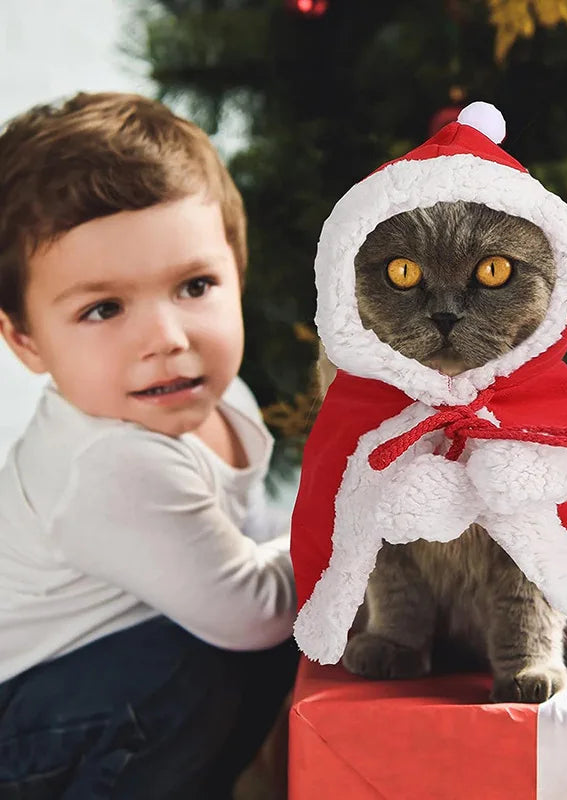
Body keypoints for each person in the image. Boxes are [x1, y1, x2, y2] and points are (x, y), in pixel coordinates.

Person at [0, 92, 298, 799]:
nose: (167, 338)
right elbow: (256, 610)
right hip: (28, 728)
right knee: (213, 661)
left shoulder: (218, 395)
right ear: (26, 341)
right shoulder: (111, 462)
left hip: (88, 695)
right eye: (103, 308)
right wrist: (354, 519)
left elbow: (246, 536)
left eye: (195, 286)